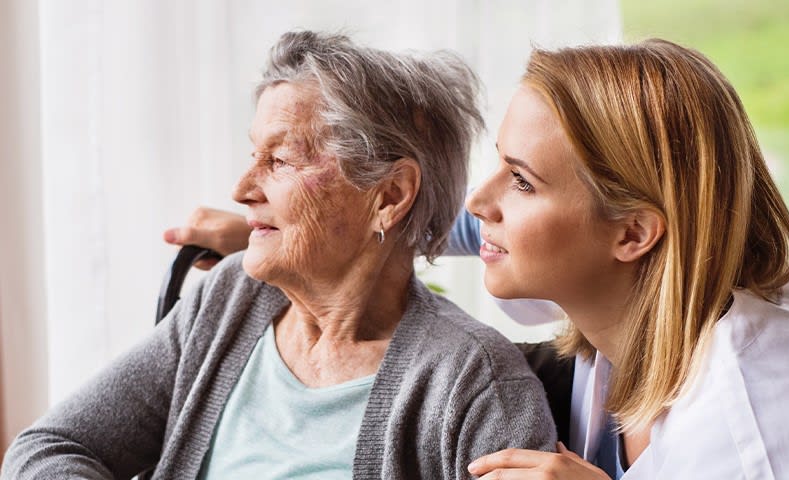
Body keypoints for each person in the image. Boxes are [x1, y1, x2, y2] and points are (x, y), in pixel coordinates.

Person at [161, 39, 789, 478]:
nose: (479, 198)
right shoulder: (651, 279)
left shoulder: (760, 427)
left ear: (633, 233)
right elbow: (483, 222)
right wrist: (310, 233)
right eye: (499, 161)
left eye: (521, 181)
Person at [1, 31, 556, 480]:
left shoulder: (469, 382)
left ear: (388, 196)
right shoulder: (228, 303)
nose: (242, 188)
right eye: (253, 154)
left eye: (282, 160)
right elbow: (48, 448)